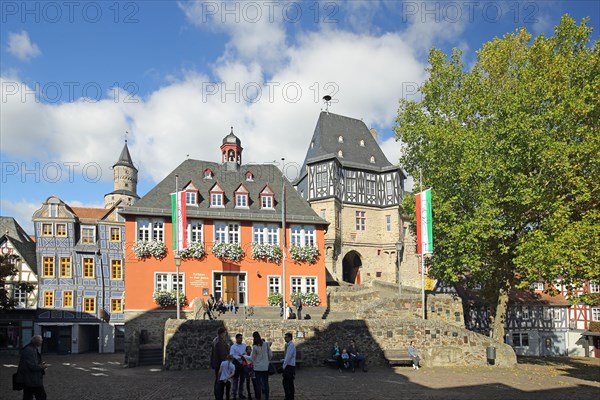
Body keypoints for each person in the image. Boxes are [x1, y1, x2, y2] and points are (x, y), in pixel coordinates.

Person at [17, 335, 47, 400]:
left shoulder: (30, 348)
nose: (42, 342)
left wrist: (40, 364)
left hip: (28, 379)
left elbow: (32, 363)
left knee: (28, 396)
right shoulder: (30, 350)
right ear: (37, 342)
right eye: (41, 341)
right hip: (32, 379)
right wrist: (43, 366)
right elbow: (33, 366)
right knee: (41, 396)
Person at [250, 331, 272, 400]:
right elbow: (270, 355)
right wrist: (267, 361)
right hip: (265, 366)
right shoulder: (266, 344)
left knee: (258, 384)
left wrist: (245, 356)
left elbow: (252, 358)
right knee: (266, 383)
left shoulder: (255, 347)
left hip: (257, 367)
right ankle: (266, 397)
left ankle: (259, 397)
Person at [211, 327, 231, 400]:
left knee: (218, 380)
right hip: (220, 364)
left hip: (217, 364)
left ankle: (218, 396)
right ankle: (219, 397)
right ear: (223, 333)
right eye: (225, 332)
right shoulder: (219, 342)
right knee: (220, 381)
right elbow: (223, 355)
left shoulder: (216, 340)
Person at [230, 333, 247, 399]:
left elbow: (246, 353)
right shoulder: (233, 347)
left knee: (242, 380)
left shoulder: (244, 346)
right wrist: (239, 357)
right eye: (240, 338)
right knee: (235, 380)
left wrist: (244, 355)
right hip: (236, 365)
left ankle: (241, 393)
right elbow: (231, 355)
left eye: (241, 338)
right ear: (236, 339)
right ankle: (234, 394)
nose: (241, 339)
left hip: (243, 364)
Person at [282, 332, 296, 400]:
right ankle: (289, 396)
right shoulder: (288, 345)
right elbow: (287, 356)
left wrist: (283, 366)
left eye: (286, 337)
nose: (285, 338)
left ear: (290, 338)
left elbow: (288, 356)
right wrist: (283, 360)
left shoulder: (291, 345)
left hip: (289, 366)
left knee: (288, 382)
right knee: (287, 382)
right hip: (288, 365)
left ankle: (289, 396)